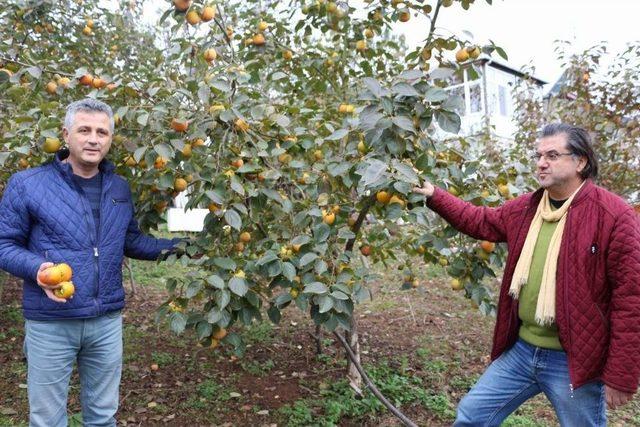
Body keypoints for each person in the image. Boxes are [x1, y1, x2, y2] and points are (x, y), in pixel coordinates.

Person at [413, 123, 640, 426]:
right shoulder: (527, 208)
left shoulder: (613, 215)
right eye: (538, 155)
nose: (541, 163)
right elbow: (479, 220)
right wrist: (434, 195)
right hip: (522, 351)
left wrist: (622, 374)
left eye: (552, 155)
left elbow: (631, 298)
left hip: (574, 361)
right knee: (471, 417)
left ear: (580, 161)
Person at [0, 98, 181, 427]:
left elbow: (131, 241)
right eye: (84, 130)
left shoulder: (119, 187)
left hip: (105, 321)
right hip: (50, 323)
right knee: (47, 420)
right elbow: (4, 244)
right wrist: (36, 270)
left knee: (102, 416)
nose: (93, 138)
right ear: (66, 135)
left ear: (111, 138)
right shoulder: (27, 184)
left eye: (102, 132)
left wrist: (180, 247)